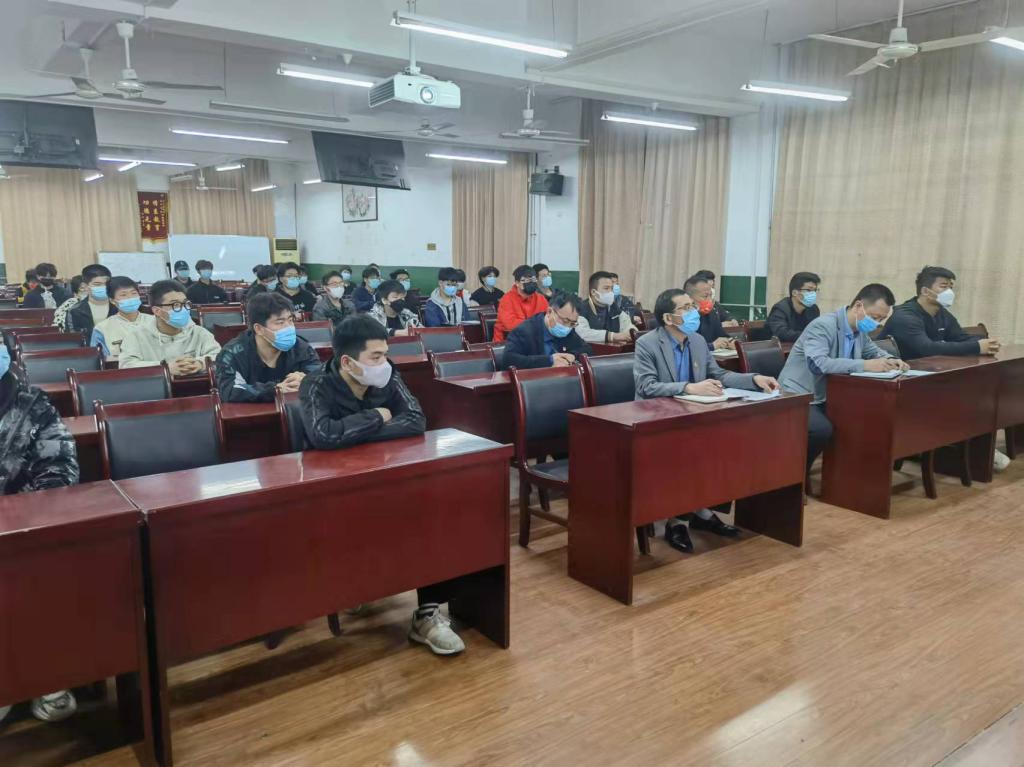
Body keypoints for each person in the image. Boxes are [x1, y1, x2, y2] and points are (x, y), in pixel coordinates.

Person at [298, 316, 460, 655]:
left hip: (388, 476)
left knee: (432, 513)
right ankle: (356, 583)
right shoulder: (316, 384)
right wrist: (378, 416)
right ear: (348, 362)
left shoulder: (387, 375)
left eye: (385, 354)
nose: (383, 363)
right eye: (375, 356)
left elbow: (416, 420)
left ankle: (427, 615)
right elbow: (323, 435)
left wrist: (354, 431)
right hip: (336, 488)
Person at [634, 288, 779, 553]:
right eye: (686, 308)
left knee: (727, 446)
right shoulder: (648, 343)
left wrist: (754, 379)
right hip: (657, 418)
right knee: (691, 451)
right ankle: (678, 521)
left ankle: (702, 510)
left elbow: (719, 375)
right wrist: (688, 387)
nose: (694, 311)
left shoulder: (698, 340)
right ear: (668, 318)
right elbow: (646, 386)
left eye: (693, 305)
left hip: (693, 415)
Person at [0, 343, 80, 725]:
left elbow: (60, 468)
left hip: (25, 529)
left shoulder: (33, 404)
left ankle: (45, 675)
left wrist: (16, 517)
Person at [778, 283, 907, 472]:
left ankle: (845, 478)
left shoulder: (859, 331)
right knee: (821, 429)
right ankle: (795, 475)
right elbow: (819, 364)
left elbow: (874, 351)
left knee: (866, 420)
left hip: (831, 396)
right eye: (874, 317)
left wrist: (892, 360)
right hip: (799, 395)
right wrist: (865, 365)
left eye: (881, 319)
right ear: (858, 306)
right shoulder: (823, 325)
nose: (876, 323)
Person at [214, 292, 320, 403]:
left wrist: (307, 380)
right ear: (259, 329)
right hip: (253, 413)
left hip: (294, 410)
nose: (289, 327)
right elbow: (230, 390)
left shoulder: (301, 347)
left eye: (290, 320)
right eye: (280, 322)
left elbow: (322, 376)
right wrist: (274, 390)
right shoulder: (232, 354)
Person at [881, 266, 1000, 360]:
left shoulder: (941, 313)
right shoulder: (905, 316)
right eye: (944, 286)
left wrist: (988, 343)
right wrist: (977, 346)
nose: (949, 292)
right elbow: (926, 348)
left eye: (951, 287)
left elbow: (960, 338)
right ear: (925, 291)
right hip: (898, 374)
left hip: (928, 369)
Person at [119, 280, 221, 375]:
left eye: (185, 303)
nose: (183, 309)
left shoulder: (200, 332)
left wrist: (200, 363)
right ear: (157, 311)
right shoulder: (136, 336)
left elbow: (219, 357)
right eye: (175, 304)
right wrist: (165, 368)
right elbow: (126, 366)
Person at [502, 292, 591, 370]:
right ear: (549, 312)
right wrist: (549, 360)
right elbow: (508, 360)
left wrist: (572, 356)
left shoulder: (568, 330)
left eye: (572, 323)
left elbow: (587, 349)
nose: (567, 327)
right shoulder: (525, 330)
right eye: (565, 321)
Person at [90, 276, 156, 359]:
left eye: (134, 293)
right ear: (112, 300)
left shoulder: (155, 321)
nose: (130, 298)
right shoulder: (102, 328)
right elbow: (98, 360)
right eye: (123, 295)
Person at [576, 270, 638, 344]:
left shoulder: (613, 307)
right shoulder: (581, 309)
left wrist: (631, 333)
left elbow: (627, 324)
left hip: (613, 349)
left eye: (611, 288)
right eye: (606, 288)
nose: (611, 292)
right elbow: (584, 333)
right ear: (593, 292)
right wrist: (613, 336)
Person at [493, 265, 548, 343]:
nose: (531, 282)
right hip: (507, 342)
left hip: (535, 340)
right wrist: (535, 325)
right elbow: (510, 325)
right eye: (526, 280)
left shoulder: (541, 298)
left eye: (533, 279)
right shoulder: (507, 299)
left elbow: (547, 320)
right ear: (517, 283)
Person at [768, 272, 822, 342]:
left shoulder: (813, 309)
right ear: (794, 293)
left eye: (815, 290)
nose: (813, 294)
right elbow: (782, 333)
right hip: (775, 347)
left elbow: (816, 330)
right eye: (809, 290)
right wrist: (809, 335)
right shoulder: (780, 309)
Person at [684, 274, 734, 350]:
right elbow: (685, 347)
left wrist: (732, 343)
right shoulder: (682, 319)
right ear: (689, 298)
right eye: (705, 296)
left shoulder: (712, 314)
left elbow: (723, 335)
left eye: (711, 296)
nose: (709, 300)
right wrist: (712, 346)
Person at [67, 264, 117, 337]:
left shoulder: (119, 306)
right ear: (85, 286)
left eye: (107, 284)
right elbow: (73, 339)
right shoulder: (75, 311)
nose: (104, 287)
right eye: (97, 284)